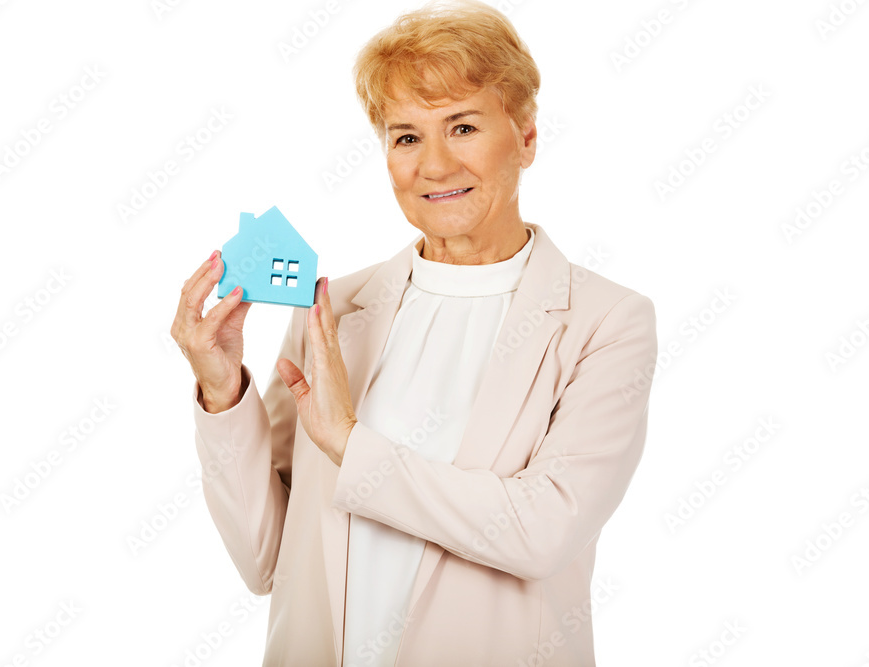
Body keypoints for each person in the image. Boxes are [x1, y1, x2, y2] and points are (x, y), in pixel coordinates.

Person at [170, 1, 658, 664]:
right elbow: (265, 560)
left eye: (463, 126)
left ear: (526, 138)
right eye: (406, 137)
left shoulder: (605, 321)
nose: (434, 165)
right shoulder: (334, 309)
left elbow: (541, 531)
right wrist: (223, 391)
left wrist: (349, 444)